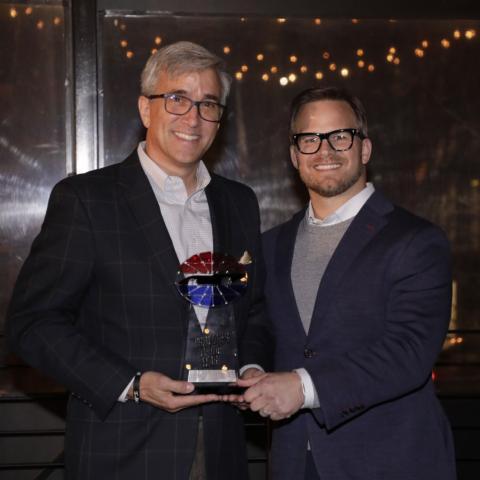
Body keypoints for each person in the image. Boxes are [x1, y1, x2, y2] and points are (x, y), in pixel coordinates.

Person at [7, 41, 271, 480]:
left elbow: (255, 311)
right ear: (146, 110)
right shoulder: (87, 200)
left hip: (223, 450)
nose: (193, 117)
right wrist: (131, 385)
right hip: (121, 452)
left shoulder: (239, 203)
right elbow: (32, 323)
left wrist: (251, 368)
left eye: (208, 104)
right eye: (177, 99)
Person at [238, 87, 456, 479]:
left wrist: (303, 389)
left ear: (365, 148)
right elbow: (262, 326)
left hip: (390, 462)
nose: (325, 150)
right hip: (292, 461)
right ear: (294, 155)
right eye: (309, 139)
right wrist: (252, 368)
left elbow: (408, 353)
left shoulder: (417, 240)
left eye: (340, 136)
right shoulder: (271, 245)